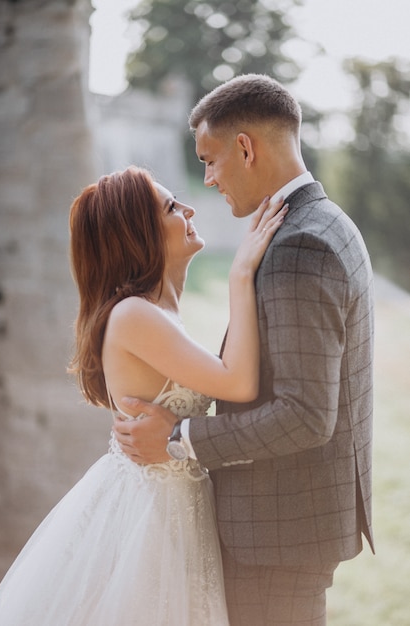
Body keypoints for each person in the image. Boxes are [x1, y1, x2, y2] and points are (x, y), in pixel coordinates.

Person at [113, 74, 375, 625]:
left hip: (276, 532)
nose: (206, 180)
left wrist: (178, 440)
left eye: (209, 160)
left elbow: (305, 416)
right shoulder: (321, 222)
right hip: (287, 521)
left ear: (246, 147)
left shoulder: (299, 244)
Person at [0, 165, 286, 625]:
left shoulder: (155, 309)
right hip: (151, 517)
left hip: (174, 509)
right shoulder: (133, 314)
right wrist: (240, 274)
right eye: (171, 207)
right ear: (140, 234)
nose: (189, 209)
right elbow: (239, 383)